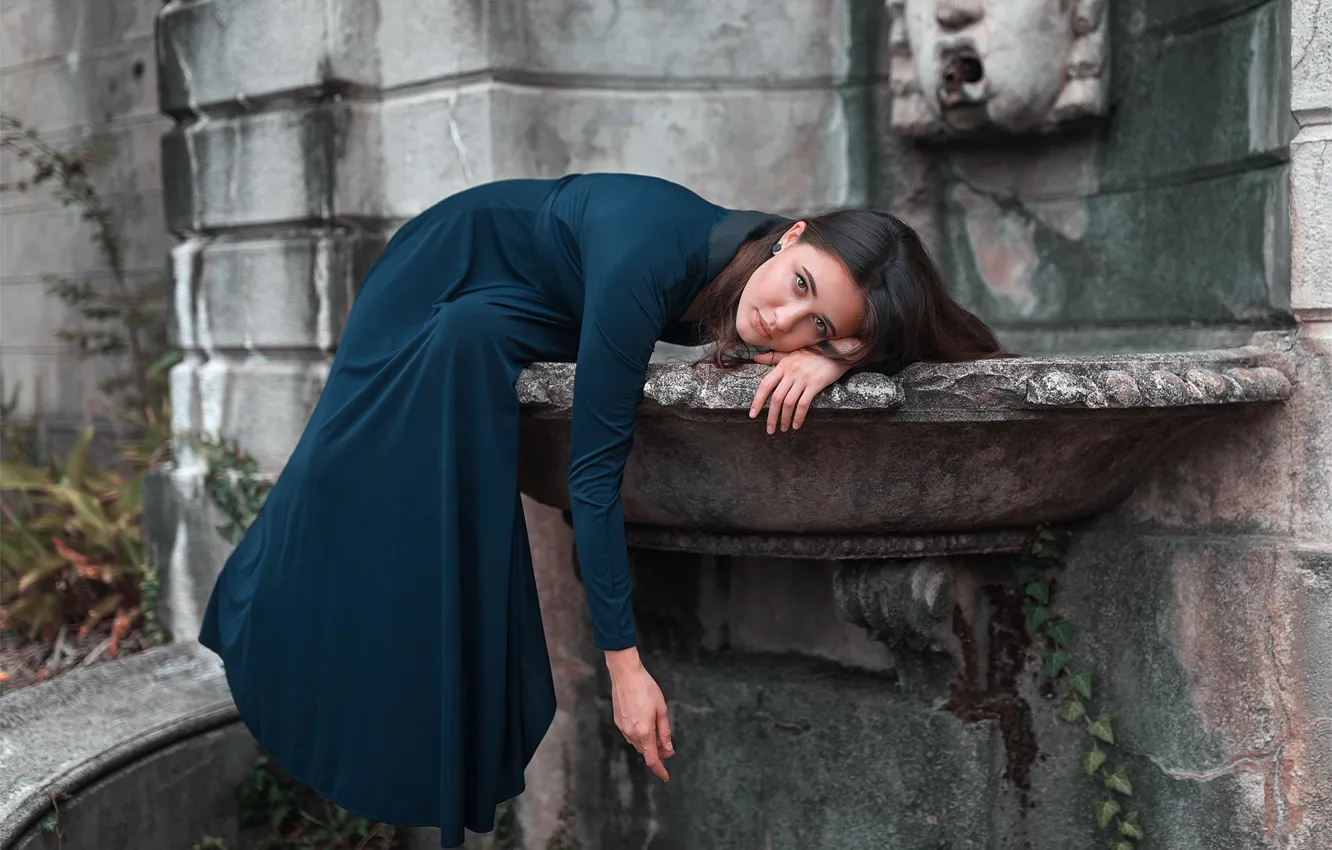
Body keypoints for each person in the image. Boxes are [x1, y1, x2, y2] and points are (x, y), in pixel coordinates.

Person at [197, 172, 1007, 847]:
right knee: (360, 486)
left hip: (516, 306)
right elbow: (592, 478)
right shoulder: (645, 264)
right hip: (444, 270)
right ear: (792, 236)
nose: (782, 322)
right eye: (799, 289)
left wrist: (835, 363)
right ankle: (256, 612)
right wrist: (626, 667)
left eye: (818, 325)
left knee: (456, 424)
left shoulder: (765, 261)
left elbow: (893, 326)